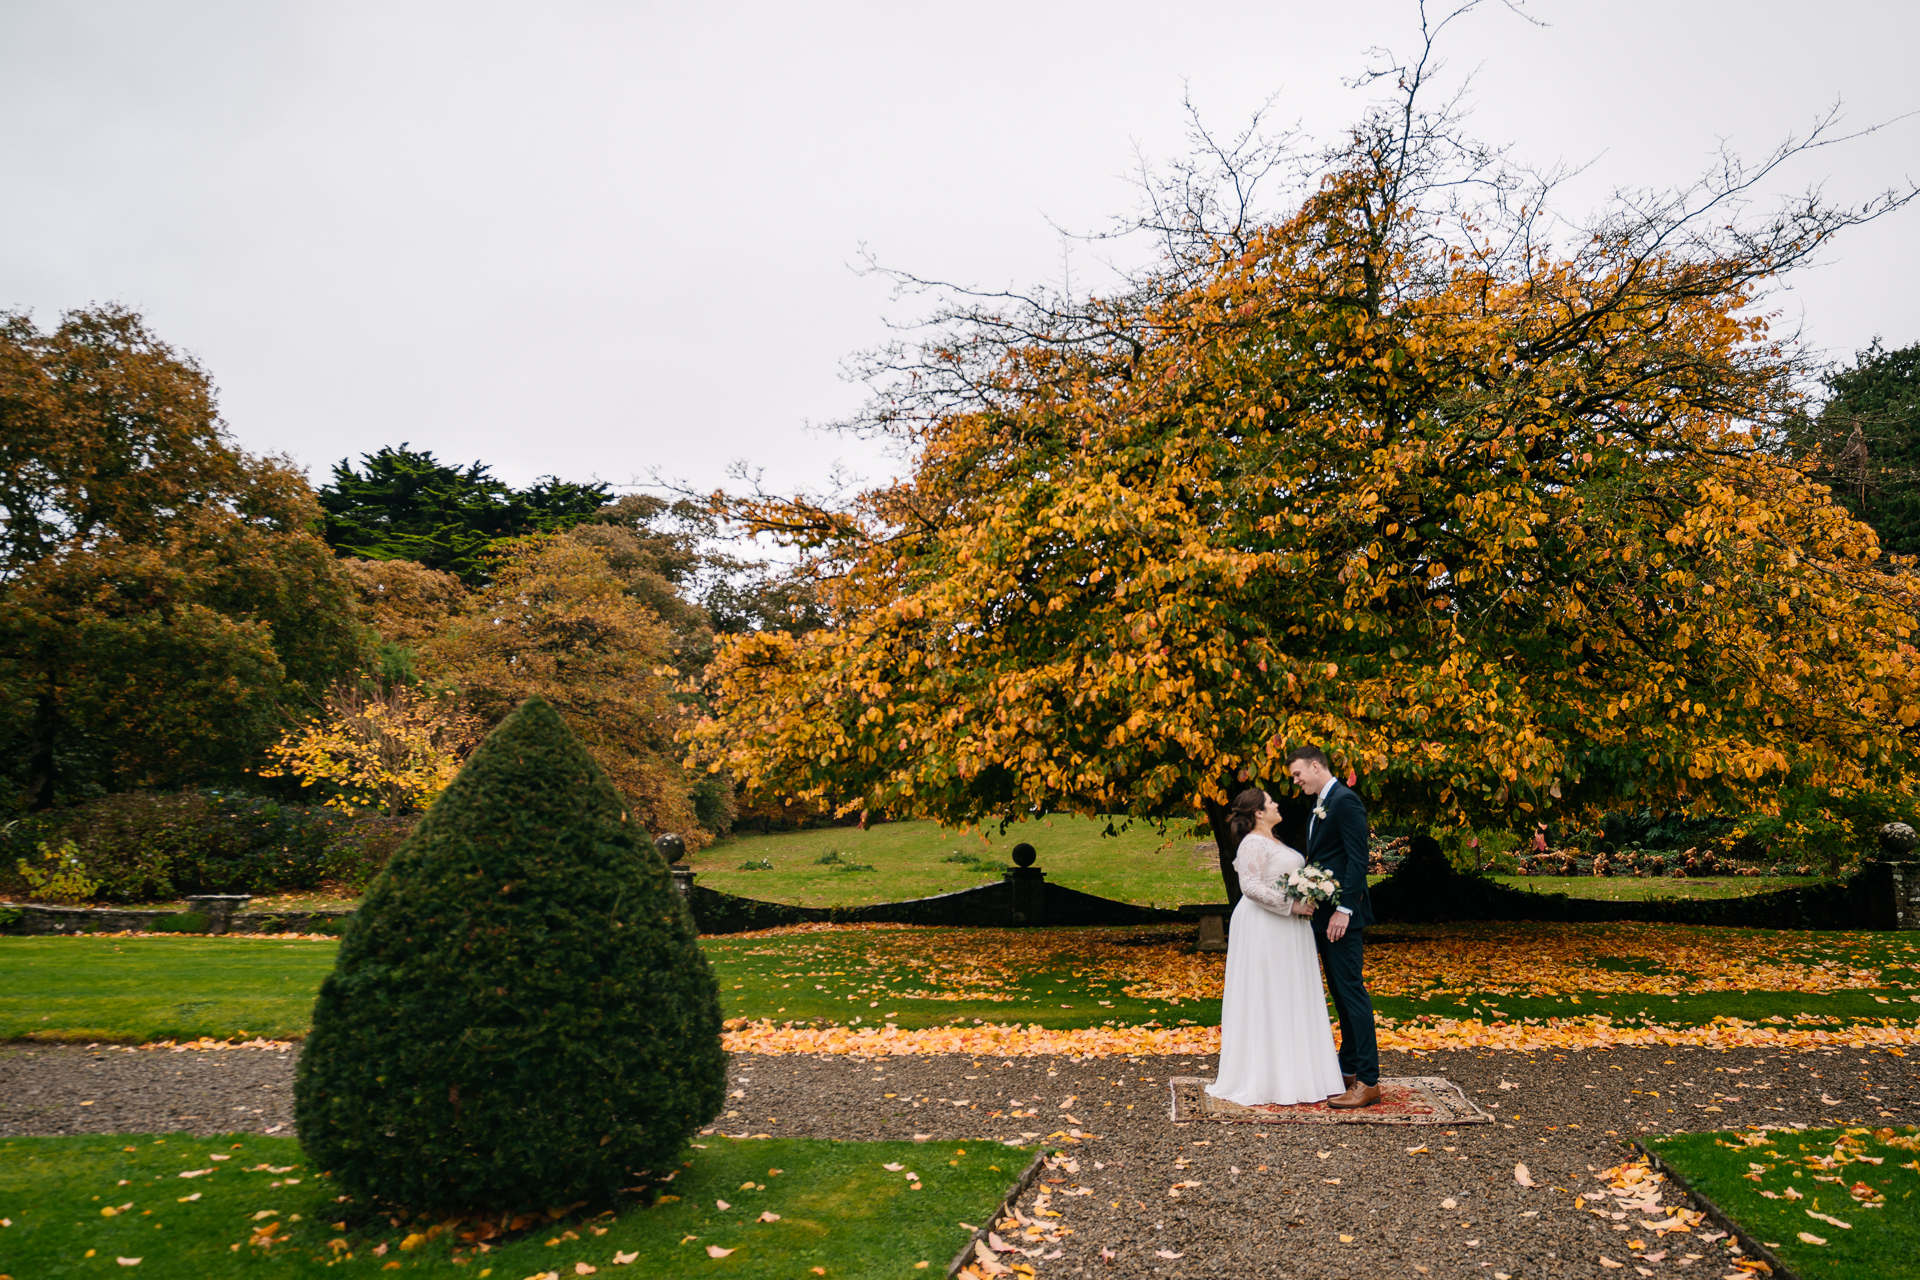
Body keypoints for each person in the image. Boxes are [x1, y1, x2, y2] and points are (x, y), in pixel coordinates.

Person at [1205, 786, 1346, 1108]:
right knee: (1269, 993)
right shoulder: (1253, 842)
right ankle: (1267, 1078)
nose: (1277, 804)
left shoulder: (1274, 841)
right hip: (1265, 926)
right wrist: (1290, 905)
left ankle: (1298, 1074)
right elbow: (1250, 886)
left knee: (1290, 993)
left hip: (1288, 927)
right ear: (1257, 812)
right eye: (1270, 802)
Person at [1287, 745, 1382, 1108]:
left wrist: (1344, 909)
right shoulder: (1321, 803)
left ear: (1315, 766)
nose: (1296, 781)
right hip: (1324, 916)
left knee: (1352, 994)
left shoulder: (1345, 801)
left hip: (1343, 917)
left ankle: (1369, 1081)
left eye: (1298, 774)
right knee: (1341, 997)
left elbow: (1359, 860)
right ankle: (1348, 1068)